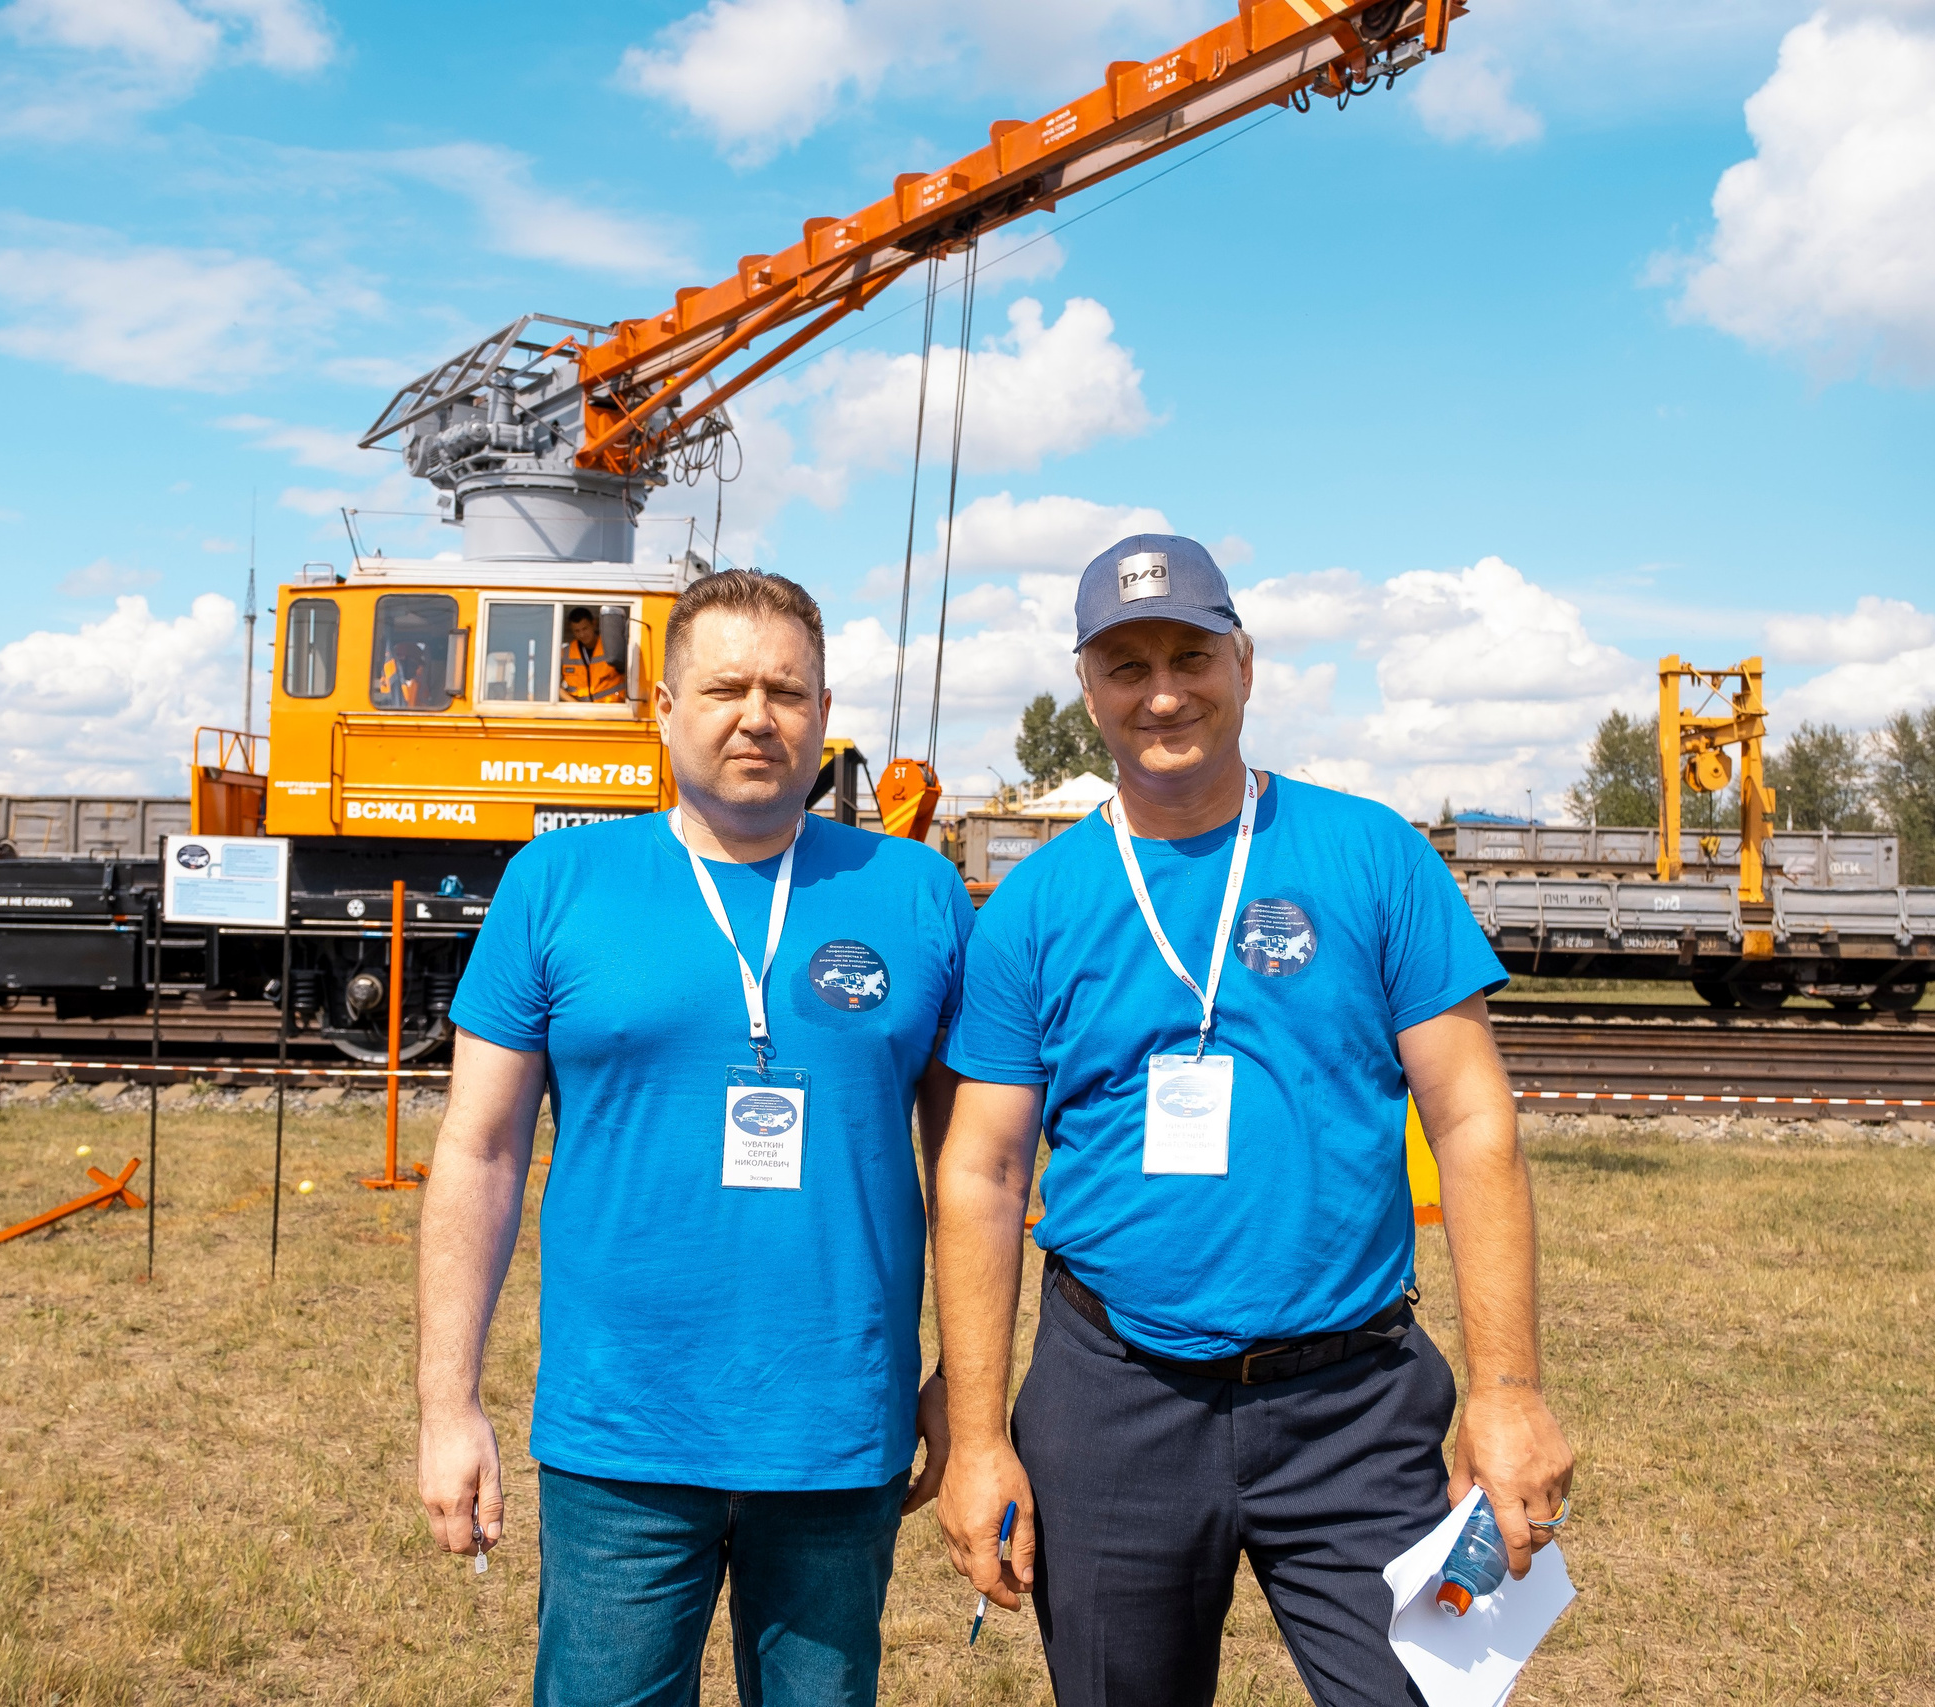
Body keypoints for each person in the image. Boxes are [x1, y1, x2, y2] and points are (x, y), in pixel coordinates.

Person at [930, 534, 1574, 1706]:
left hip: (1353, 1405)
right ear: (1086, 688)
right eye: (1126, 667)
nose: (1163, 691)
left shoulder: (1369, 855)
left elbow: (1474, 1119)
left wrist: (1507, 1389)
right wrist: (978, 1439)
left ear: (1245, 661)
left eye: (1191, 654)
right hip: (1114, 1400)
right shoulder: (1033, 907)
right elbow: (979, 1172)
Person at [417, 568, 971, 1706]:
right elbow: (477, 1152)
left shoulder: (917, 892)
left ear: (823, 716)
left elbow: (972, 1169)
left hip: (833, 1431)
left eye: (787, 690)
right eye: (723, 688)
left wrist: (965, 1382)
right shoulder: (557, 883)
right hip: (621, 1438)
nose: (756, 716)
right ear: (662, 709)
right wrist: (447, 1404)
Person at [561, 607, 627, 703]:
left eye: (585, 628)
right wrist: (576, 706)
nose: (582, 634)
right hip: (581, 714)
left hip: (612, 710)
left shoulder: (612, 647)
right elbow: (554, 687)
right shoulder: (565, 653)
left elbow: (629, 679)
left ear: (594, 624)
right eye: (577, 631)